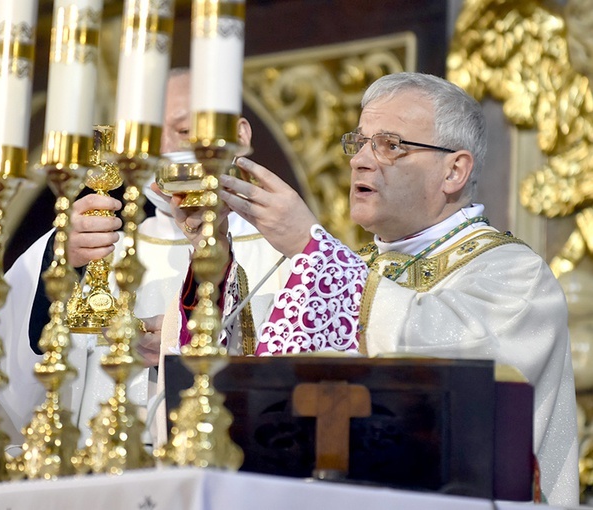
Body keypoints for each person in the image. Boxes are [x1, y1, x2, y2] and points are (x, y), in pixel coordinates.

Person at [162, 71, 578, 505]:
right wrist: (213, 256)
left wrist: (311, 248)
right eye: (359, 142)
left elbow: (456, 374)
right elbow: (252, 375)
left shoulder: (512, 274)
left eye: (390, 145)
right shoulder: (347, 268)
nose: (361, 160)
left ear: (454, 171)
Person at [0, 68, 289, 447]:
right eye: (146, 139)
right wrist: (55, 260)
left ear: (240, 136)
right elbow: (14, 390)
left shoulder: (286, 252)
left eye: (183, 131)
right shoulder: (97, 252)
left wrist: (174, 338)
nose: (164, 151)